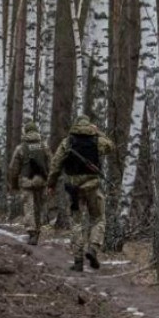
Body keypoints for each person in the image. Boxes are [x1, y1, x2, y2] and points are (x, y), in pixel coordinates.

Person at [48, 115, 115, 272]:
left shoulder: (67, 142)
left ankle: (78, 260)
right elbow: (111, 146)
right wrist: (98, 133)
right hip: (93, 186)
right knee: (98, 219)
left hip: (74, 190)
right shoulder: (97, 140)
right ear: (89, 126)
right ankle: (93, 247)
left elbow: (56, 164)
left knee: (76, 223)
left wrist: (51, 184)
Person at [8, 121, 51, 245]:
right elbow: (51, 164)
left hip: (26, 182)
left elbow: (13, 168)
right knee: (38, 207)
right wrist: (50, 181)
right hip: (41, 181)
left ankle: (32, 232)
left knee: (29, 207)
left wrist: (14, 184)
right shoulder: (44, 146)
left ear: (26, 132)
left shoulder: (21, 148)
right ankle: (37, 230)